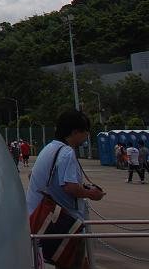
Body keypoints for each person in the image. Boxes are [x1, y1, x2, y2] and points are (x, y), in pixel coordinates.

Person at [26, 110, 105, 269]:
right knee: (74, 263)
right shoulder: (67, 152)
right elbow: (69, 187)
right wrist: (92, 194)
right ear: (75, 132)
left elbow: (34, 177)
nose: (86, 136)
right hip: (63, 224)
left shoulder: (49, 149)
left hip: (41, 220)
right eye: (85, 132)